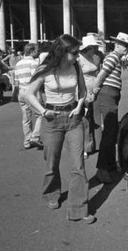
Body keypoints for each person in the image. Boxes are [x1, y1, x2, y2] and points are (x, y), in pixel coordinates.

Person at [25, 34, 96, 224]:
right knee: (51, 163)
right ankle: (51, 192)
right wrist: (43, 111)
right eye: (74, 52)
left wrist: (79, 106)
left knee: (78, 165)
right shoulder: (46, 70)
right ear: (63, 52)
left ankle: (78, 209)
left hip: (73, 119)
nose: (78, 56)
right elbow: (28, 94)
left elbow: (82, 91)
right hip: (52, 119)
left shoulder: (76, 67)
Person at [90, 32, 128, 184]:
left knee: (111, 130)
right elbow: (103, 74)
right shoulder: (113, 56)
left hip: (111, 93)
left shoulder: (115, 57)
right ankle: (102, 169)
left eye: (127, 46)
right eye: (124, 46)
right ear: (117, 45)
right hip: (107, 93)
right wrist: (95, 89)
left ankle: (108, 165)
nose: (126, 49)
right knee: (109, 131)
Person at [78, 34, 104, 158]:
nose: (95, 49)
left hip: (95, 90)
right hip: (84, 91)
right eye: (93, 47)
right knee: (85, 120)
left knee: (96, 118)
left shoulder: (94, 57)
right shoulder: (79, 58)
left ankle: (96, 144)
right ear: (87, 48)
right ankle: (86, 147)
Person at [14, 43, 43, 149]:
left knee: (26, 117)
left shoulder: (18, 63)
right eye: (37, 50)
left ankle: (27, 141)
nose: (38, 52)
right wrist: (39, 95)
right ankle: (35, 137)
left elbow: (16, 82)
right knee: (40, 114)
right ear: (32, 51)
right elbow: (35, 80)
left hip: (21, 91)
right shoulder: (34, 63)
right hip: (31, 91)